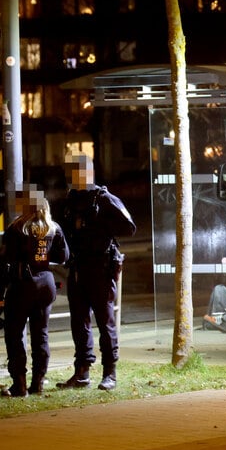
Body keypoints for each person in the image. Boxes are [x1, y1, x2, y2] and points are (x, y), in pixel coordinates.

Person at [55, 154, 136, 391]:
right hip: (78, 268)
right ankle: (82, 372)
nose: (70, 178)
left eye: (75, 172)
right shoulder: (71, 201)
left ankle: (110, 372)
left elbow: (129, 227)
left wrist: (99, 228)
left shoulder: (105, 199)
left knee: (105, 322)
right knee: (79, 323)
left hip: (100, 268)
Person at [0, 187, 70, 397]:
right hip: (45, 284)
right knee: (41, 335)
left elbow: (5, 262)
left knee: (14, 335)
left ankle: (19, 384)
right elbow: (63, 256)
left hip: (22, 285)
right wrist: (43, 254)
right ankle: (38, 383)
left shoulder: (17, 228)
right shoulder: (53, 228)